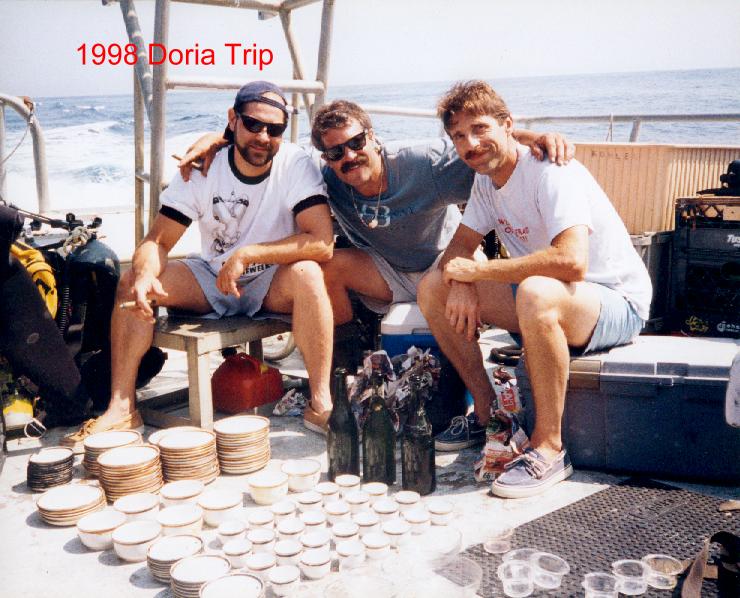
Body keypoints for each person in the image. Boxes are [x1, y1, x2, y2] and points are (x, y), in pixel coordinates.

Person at [63, 81, 336, 449]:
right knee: (132, 280)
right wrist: (146, 275)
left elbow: (321, 242)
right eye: (253, 124)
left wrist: (248, 254)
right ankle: (122, 408)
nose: (263, 136)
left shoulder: (294, 163)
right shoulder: (204, 167)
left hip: (271, 281)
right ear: (233, 120)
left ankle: (320, 404)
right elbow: (158, 241)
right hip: (212, 277)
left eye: (274, 129)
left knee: (309, 273)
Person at [416, 80, 652, 498]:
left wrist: (478, 273)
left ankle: (549, 448)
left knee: (536, 291)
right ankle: (488, 414)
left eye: (480, 129)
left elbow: (572, 262)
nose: (470, 144)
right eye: (458, 136)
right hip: (557, 297)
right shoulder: (486, 181)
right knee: (434, 287)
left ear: (508, 124)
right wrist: (461, 280)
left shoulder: (550, 171)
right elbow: (457, 250)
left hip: (614, 300)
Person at [181, 101, 573, 326]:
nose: (349, 156)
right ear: (326, 159)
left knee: (502, 314)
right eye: (336, 152)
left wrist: (534, 138)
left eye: (356, 143)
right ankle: (350, 357)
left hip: (444, 263)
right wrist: (221, 140)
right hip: (386, 270)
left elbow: (487, 151)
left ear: (373, 137)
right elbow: (268, 150)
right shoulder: (324, 179)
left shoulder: (425, 164)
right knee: (323, 267)